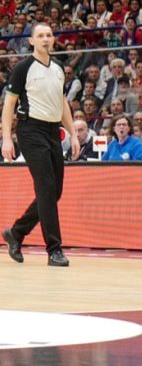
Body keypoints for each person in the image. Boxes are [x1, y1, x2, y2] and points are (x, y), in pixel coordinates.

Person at [1, 22, 80, 266]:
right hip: (30, 130)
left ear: (53, 39)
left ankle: (16, 233)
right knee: (46, 187)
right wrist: (6, 138)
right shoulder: (23, 68)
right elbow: (9, 104)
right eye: (40, 35)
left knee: (54, 192)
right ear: (32, 41)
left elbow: (63, 103)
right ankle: (54, 250)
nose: (45, 39)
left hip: (53, 131)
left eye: (49, 35)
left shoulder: (58, 68)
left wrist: (73, 133)